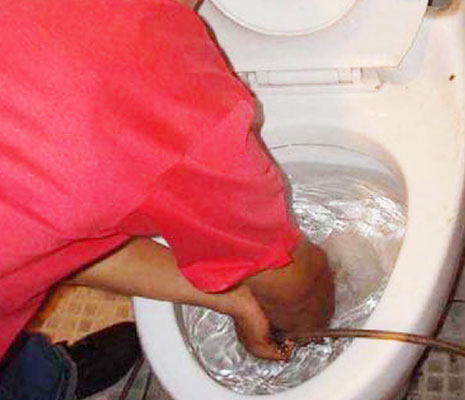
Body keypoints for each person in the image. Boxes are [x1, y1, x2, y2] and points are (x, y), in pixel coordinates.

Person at [0, 0, 335, 397]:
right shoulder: (161, 93)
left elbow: (35, 240)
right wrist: (315, 323)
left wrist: (234, 299)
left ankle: (46, 381)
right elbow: (296, 287)